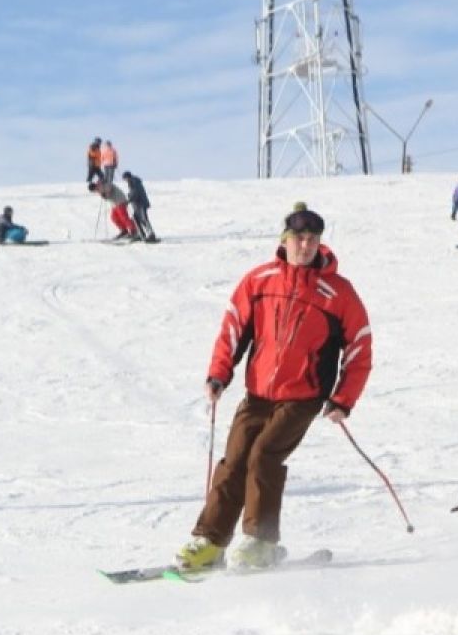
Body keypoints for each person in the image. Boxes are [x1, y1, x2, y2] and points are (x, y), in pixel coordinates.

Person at [176, 207, 374, 570]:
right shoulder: (260, 280)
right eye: (299, 238)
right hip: (258, 394)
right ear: (284, 239)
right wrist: (219, 373)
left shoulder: (338, 292)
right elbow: (233, 328)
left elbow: (360, 348)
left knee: (263, 455)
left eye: (313, 239)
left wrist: (343, 399)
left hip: (303, 397)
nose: (306, 245)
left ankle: (261, 541)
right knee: (234, 460)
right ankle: (210, 542)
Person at [121, 171, 157, 242]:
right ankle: (141, 234)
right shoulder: (134, 181)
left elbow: (135, 193)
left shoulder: (133, 181)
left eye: (124, 179)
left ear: (127, 177)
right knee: (136, 218)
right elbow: (134, 192)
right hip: (138, 204)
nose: (124, 181)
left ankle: (151, 234)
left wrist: (129, 200)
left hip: (140, 204)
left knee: (143, 219)